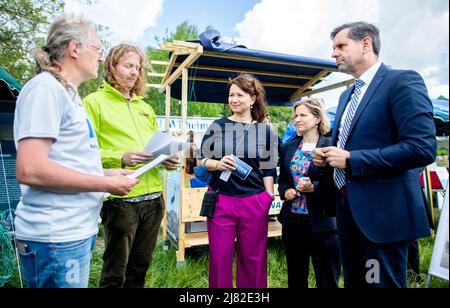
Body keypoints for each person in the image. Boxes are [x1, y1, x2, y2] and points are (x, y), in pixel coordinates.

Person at [13, 15, 138, 288]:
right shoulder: (45, 90)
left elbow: (63, 160)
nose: (101, 57)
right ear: (74, 48)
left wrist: (104, 172)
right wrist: (105, 183)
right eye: (96, 48)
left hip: (71, 233)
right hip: (55, 238)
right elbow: (30, 169)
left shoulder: (65, 92)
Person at [313, 21, 436, 288]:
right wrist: (326, 157)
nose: (334, 53)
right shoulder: (347, 95)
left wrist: (351, 159)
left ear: (365, 44)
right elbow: (349, 143)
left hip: (382, 216)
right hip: (346, 212)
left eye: (341, 46)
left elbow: (421, 147)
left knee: (379, 283)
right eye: (333, 47)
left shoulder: (401, 81)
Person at [83, 44, 179, 288]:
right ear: (112, 67)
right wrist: (120, 157)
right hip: (121, 199)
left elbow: (153, 147)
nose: (134, 72)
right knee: (115, 271)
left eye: (137, 67)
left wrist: (167, 159)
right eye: (128, 65)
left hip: (154, 199)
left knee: (139, 269)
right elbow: (82, 150)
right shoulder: (93, 103)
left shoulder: (144, 107)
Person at [200, 74, 278, 288]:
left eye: (240, 95)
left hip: (254, 201)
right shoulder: (218, 125)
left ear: (253, 98)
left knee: (253, 259)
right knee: (219, 258)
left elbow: (269, 168)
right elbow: (201, 160)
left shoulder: (265, 131)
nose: (234, 99)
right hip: (221, 201)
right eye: (231, 95)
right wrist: (217, 164)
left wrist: (268, 197)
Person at [278, 98, 340, 288]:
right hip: (294, 220)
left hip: (324, 221)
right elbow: (284, 179)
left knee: (327, 276)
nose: (297, 119)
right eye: (295, 115)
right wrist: (286, 190)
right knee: (296, 275)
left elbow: (340, 182)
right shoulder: (289, 146)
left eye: (302, 115)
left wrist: (315, 187)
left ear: (317, 118)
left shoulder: (331, 145)